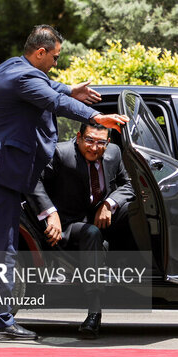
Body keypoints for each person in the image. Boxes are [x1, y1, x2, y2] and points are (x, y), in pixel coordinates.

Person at [0, 25, 129, 341]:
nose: (55, 63)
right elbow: (52, 101)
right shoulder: (26, 78)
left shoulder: (10, 67)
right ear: (40, 52)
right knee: (2, 248)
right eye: (54, 57)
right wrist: (96, 118)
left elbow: (48, 86)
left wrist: (68, 88)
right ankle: (0, 323)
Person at [27, 122, 135, 338]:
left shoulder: (113, 153)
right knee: (92, 234)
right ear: (78, 137)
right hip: (68, 223)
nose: (94, 148)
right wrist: (51, 214)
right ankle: (94, 313)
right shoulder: (61, 153)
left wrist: (109, 203)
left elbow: (128, 185)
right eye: (89, 140)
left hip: (100, 218)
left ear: (108, 142)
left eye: (100, 143)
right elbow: (32, 180)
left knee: (136, 210)